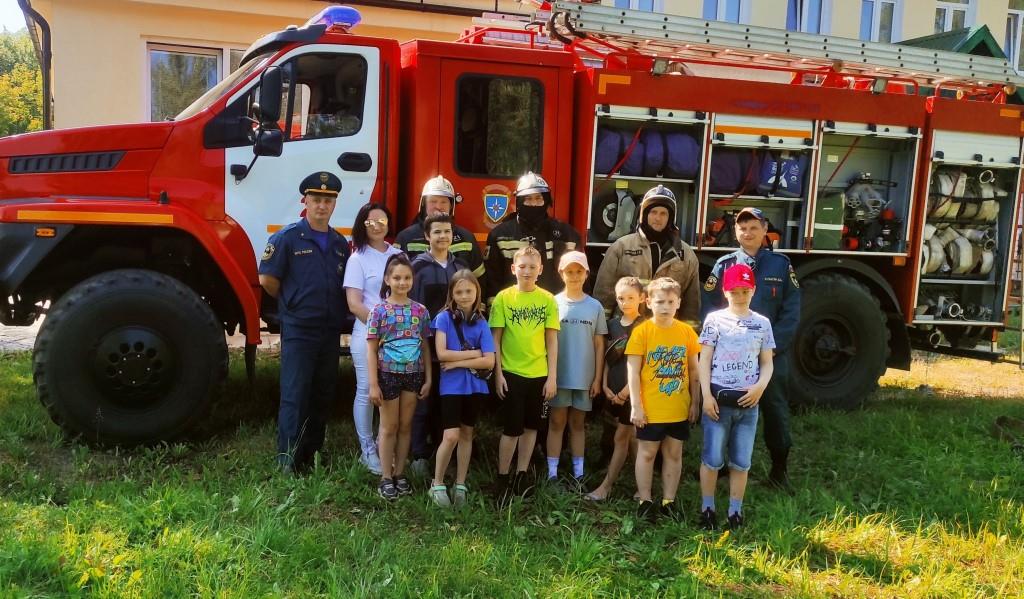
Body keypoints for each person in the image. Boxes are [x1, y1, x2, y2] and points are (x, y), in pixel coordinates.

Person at [701, 207, 801, 491]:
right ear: (736, 232)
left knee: (775, 409)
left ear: (765, 229)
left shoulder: (781, 265)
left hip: (770, 356)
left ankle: (779, 470)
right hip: (730, 359)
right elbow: (710, 308)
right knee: (725, 411)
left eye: (753, 227)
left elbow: (792, 311)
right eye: (742, 228)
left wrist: (769, 349)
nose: (748, 233)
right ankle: (718, 465)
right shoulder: (725, 265)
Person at [258, 171, 349, 474]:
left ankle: (311, 453)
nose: (322, 205)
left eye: (328, 200)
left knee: (322, 392)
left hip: (329, 329)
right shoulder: (287, 238)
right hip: (299, 328)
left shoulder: (339, 244)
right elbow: (268, 279)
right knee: (295, 393)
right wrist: (292, 301)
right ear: (305, 201)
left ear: (334, 204)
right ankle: (288, 459)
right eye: (316, 199)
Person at [697, 264, 775, 530]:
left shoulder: (762, 324)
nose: (739, 296)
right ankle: (707, 507)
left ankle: (735, 511)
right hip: (719, 403)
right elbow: (704, 359)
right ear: (725, 291)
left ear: (753, 290)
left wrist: (760, 387)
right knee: (712, 458)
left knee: (741, 461)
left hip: (748, 404)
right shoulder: (715, 320)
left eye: (744, 291)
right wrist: (706, 396)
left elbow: (767, 362)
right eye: (734, 291)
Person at [489, 245, 560, 501]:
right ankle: (503, 477)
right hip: (511, 374)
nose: (527, 271)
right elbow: (495, 339)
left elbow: (551, 341)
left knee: (532, 427)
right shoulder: (504, 298)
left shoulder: (548, 300)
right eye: (522, 266)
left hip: (539, 376)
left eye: (532, 267)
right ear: (513, 269)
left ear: (540, 270)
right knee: (512, 429)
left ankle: (521, 474)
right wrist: (498, 374)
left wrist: (552, 377)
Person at [626, 277, 700, 520]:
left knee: (674, 454)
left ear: (678, 303)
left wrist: (695, 401)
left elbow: (694, 370)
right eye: (660, 301)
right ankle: (645, 500)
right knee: (647, 454)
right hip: (650, 409)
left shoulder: (686, 332)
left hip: (678, 407)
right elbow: (633, 372)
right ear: (648, 302)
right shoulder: (642, 332)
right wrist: (636, 406)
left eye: (670, 301)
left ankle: (669, 501)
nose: (665, 306)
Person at [366, 254, 433, 500]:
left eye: (406, 278)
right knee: (389, 427)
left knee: (406, 426)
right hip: (388, 375)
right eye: (397, 278)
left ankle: (400, 473)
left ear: (412, 280)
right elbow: (371, 349)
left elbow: (425, 345)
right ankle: (386, 476)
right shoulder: (379, 310)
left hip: (413, 375)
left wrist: (428, 377)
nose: (402, 282)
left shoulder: (420, 310)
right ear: (387, 279)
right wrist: (373, 384)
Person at [344, 203, 403, 475]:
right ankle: (366, 448)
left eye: (382, 220)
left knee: (392, 392)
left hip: (397, 339)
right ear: (362, 224)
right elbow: (355, 304)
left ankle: (384, 445)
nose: (377, 225)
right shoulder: (357, 259)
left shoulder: (398, 255)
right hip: (366, 334)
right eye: (371, 221)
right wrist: (382, 328)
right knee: (368, 390)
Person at [429, 271, 495, 508]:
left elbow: (489, 361)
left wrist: (458, 362)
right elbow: (441, 353)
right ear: (452, 295)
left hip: (475, 387)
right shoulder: (444, 319)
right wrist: (475, 353)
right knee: (451, 435)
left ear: (477, 292)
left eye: (469, 291)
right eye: (459, 292)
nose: (464, 296)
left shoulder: (481, 321)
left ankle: (460, 483)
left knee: (467, 434)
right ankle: (436, 483)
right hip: (452, 387)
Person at [409, 212, 468, 475]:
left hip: (455, 352)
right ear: (426, 236)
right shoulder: (417, 267)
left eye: (447, 231)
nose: (442, 236)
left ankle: (445, 453)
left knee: (449, 403)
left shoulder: (460, 269)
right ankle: (419, 453)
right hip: (426, 348)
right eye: (437, 232)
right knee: (423, 401)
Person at [593, 185, 700, 323]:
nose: (658, 218)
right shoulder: (621, 247)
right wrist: (601, 332)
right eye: (653, 212)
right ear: (644, 214)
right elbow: (603, 296)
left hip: (666, 336)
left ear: (671, 218)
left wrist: (688, 339)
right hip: (627, 333)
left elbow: (691, 307)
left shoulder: (686, 255)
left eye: (663, 213)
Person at [546, 251, 606, 486]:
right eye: (569, 271)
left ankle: (578, 473)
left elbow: (599, 344)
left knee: (578, 424)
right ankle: (552, 473)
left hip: (585, 378)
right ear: (561, 274)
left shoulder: (595, 306)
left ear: (586, 274)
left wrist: (597, 378)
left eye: (579, 271)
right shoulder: (553, 302)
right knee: (556, 422)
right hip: (559, 377)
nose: (574, 276)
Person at [585, 276, 646, 501]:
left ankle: (606, 486)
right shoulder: (612, 325)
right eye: (621, 298)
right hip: (613, 391)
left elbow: (644, 366)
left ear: (642, 298)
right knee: (632, 439)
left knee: (622, 437)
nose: (625, 302)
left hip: (634, 394)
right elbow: (609, 360)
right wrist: (603, 384)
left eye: (631, 297)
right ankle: (642, 487)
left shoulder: (645, 327)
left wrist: (626, 392)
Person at [485, 172, 581, 302]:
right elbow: (492, 281)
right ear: (519, 202)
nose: (534, 204)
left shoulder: (567, 234)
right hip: (513, 312)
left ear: (546, 201)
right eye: (528, 199)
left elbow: (580, 277)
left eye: (538, 198)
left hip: (556, 311)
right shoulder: (500, 235)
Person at [395, 175, 485, 283]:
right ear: (423, 203)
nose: (438, 206)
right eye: (433, 201)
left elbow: (479, 278)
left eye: (444, 202)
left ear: (451, 205)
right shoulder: (406, 237)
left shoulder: (466, 237)